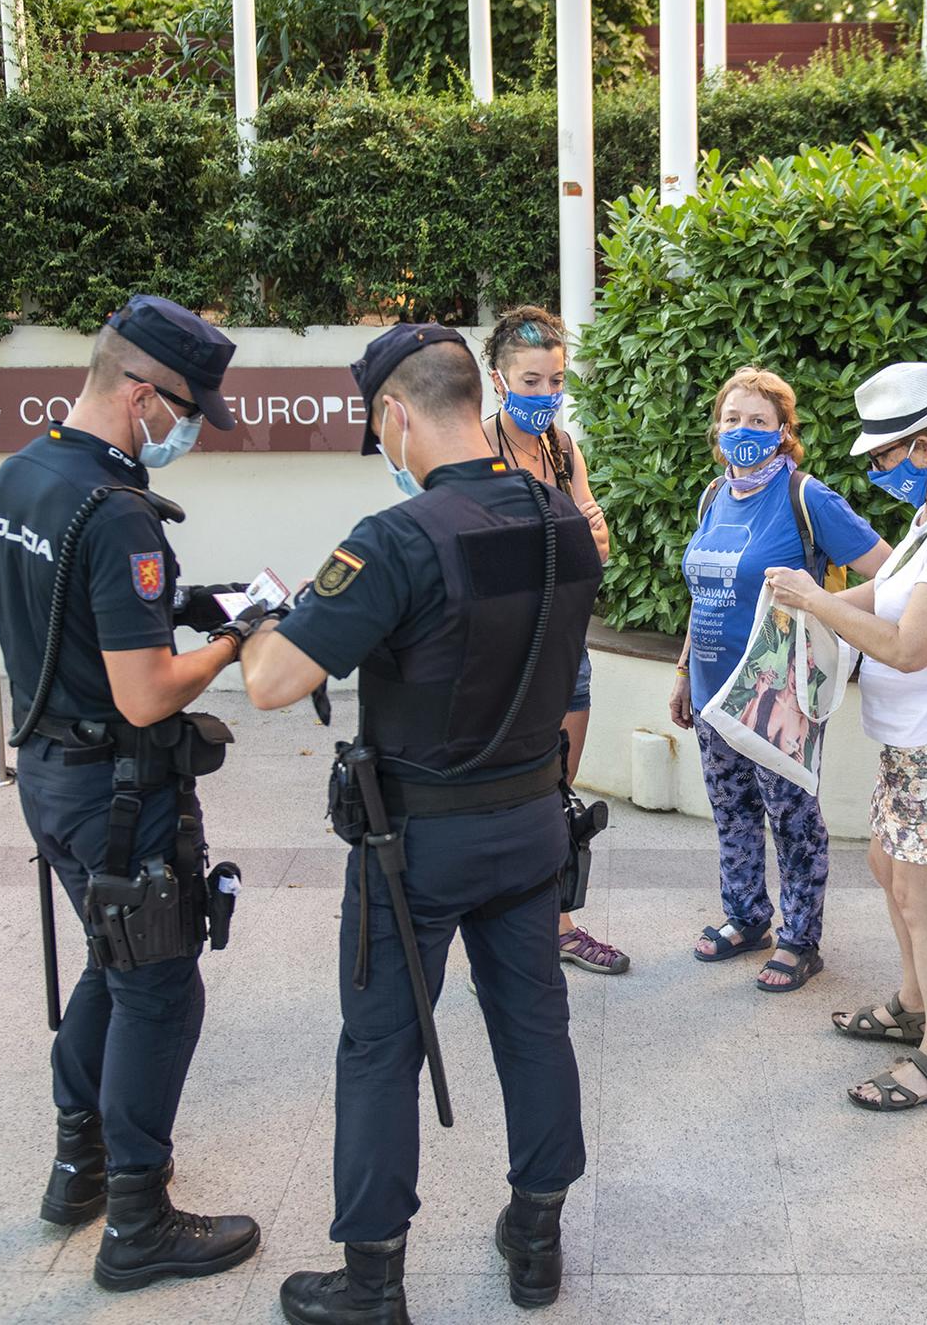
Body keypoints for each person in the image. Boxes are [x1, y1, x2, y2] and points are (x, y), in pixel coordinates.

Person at [241, 323, 602, 1324]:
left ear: (394, 415)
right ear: (475, 397)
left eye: (377, 426)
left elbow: (273, 681)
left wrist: (270, 614)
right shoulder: (560, 519)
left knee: (379, 1046)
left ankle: (372, 1282)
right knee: (533, 1026)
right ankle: (535, 1239)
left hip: (418, 849)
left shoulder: (394, 540)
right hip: (533, 822)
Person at [0, 295, 263, 1289]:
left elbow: (65, 615)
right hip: (117, 789)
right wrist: (235, 637)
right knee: (158, 982)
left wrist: (177, 603)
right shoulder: (119, 512)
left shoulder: (23, 474)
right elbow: (147, 689)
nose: (189, 430)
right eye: (186, 410)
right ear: (142, 392)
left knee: (110, 959)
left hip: (51, 777)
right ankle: (137, 1218)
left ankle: (78, 1163)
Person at [765, 361, 927, 1112]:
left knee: (922, 897)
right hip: (914, 742)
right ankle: (912, 1004)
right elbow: (882, 593)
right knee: (889, 868)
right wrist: (807, 602)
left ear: (921, 448)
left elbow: (910, 645)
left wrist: (817, 597)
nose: (877, 472)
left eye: (881, 458)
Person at [671, 366, 890, 992]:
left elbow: (891, 572)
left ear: (783, 432)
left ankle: (800, 939)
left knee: (791, 816)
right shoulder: (714, 497)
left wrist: (827, 609)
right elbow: (702, 590)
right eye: (733, 418)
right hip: (714, 691)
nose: (744, 430)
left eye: (759, 421)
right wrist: (685, 671)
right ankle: (745, 919)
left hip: (777, 695)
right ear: (718, 428)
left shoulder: (807, 496)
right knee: (732, 812)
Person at [481, 305, 629, 975]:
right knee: (506, 799)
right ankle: (511, 935)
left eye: (555, 380)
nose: (545, 395)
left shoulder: (565, 450)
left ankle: (556, 924)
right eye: (530, 380)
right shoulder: (474, 452)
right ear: (498, 378)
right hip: (507, 659)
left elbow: (595, 544)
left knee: (557, 796)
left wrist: (593, 539)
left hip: (568, 648)